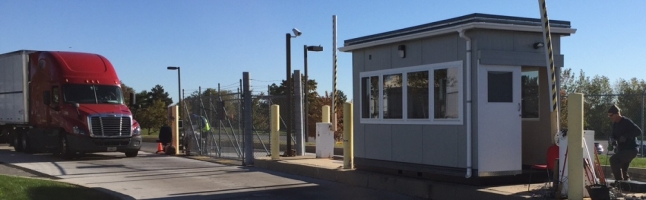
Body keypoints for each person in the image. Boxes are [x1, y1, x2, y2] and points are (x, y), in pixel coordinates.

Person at [608, 104, 641, 181]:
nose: (610, 118)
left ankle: (619, 182)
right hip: (622, 150)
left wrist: (625, 136)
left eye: (611, 115)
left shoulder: (626, 122)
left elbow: (638, 131)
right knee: (624, 170)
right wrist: (612, 139)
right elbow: (613, 135)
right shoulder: (615, 124)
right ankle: (626, 184)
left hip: (631, 149)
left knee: (613, 160)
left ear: (617, 114)